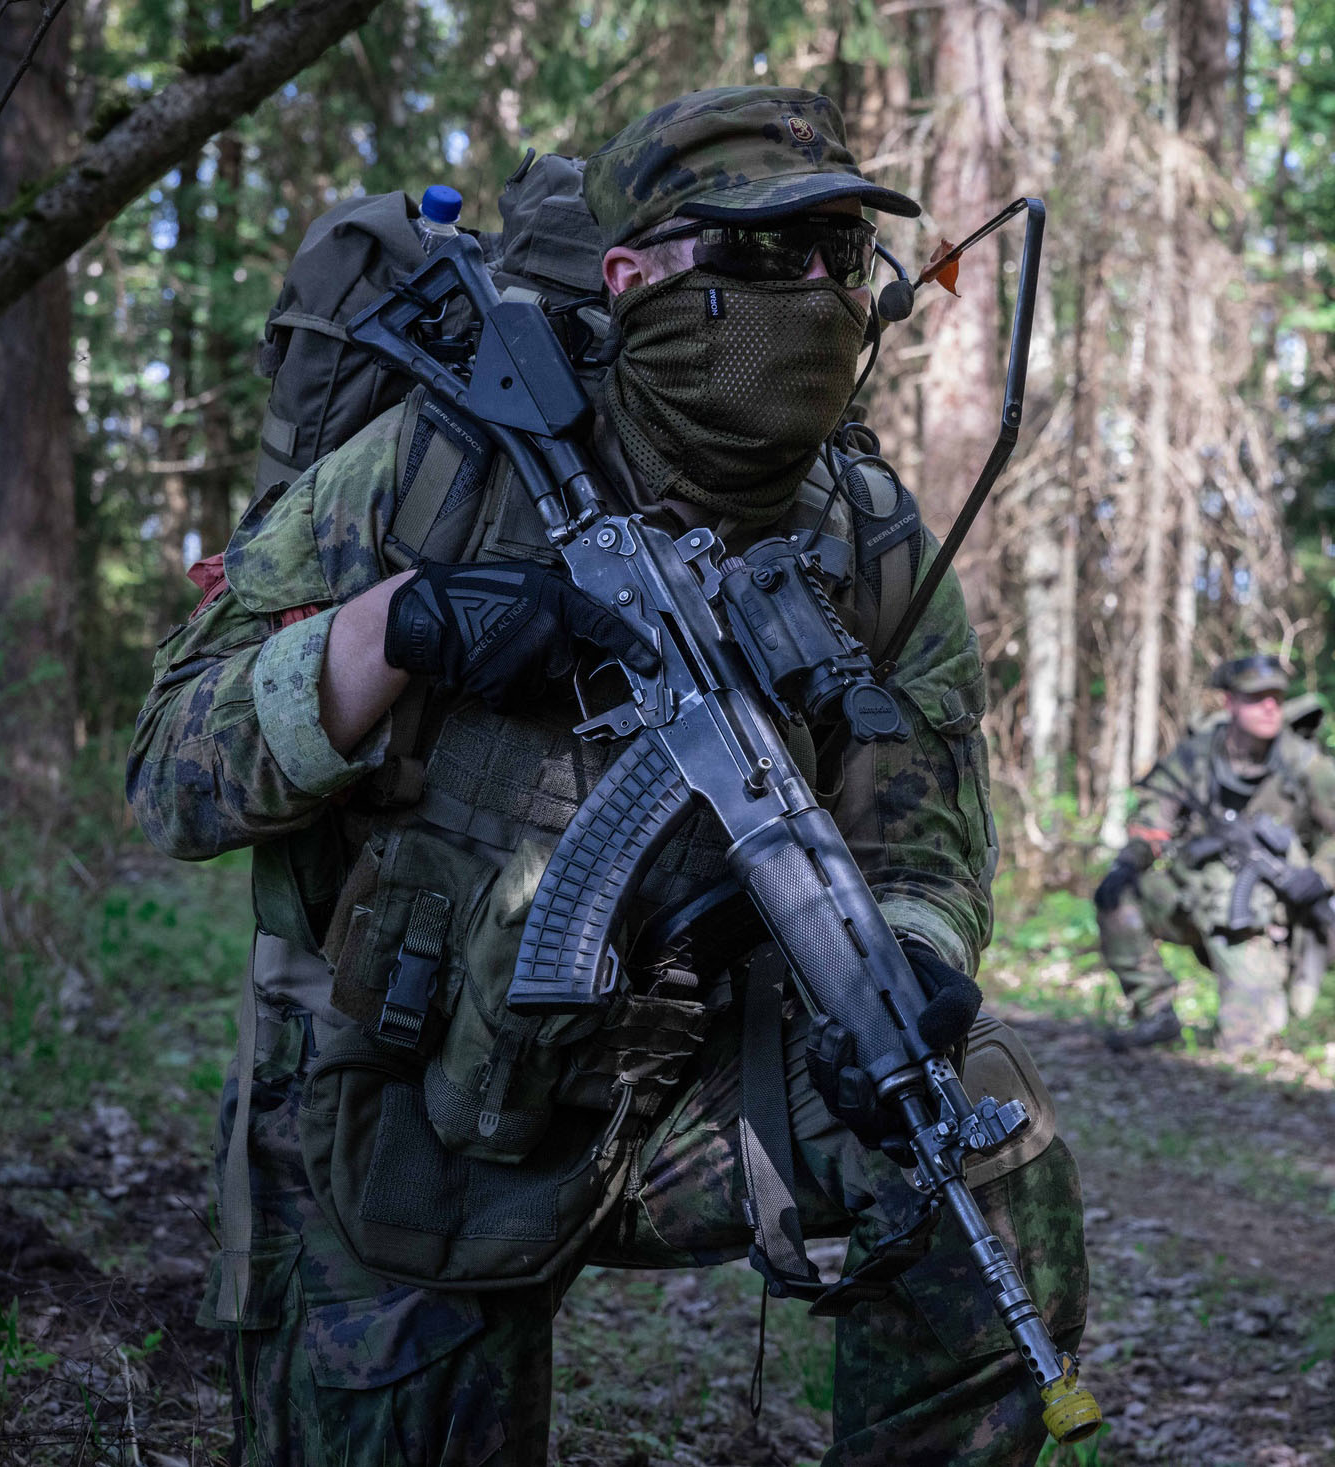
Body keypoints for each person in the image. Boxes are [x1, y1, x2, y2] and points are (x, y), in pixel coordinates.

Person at [127, 86, 1085, 1467]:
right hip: (395, 1084)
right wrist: (389, 626)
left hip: (692, 1084)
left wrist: (907, 968)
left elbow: (921, 852)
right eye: (761, 256)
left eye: (839, 258)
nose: (813, 294)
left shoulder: (864, 537)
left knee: (973, 1119)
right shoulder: (435, 468)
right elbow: (169, 771)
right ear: (632, 276)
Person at [1093, 654, 1335, 1053]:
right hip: (1193, 896)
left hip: (1255, 921)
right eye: (1257, 697)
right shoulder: (1197, 755)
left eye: (1276, 696)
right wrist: (1130, 860)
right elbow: (1156, 815)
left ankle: (1268, 998)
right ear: (1230, 702)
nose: (1270, 705)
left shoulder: (1304, 763)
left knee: (1242, 1047)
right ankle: (1154, 1012)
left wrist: (1321, 873)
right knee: (1118, 894)